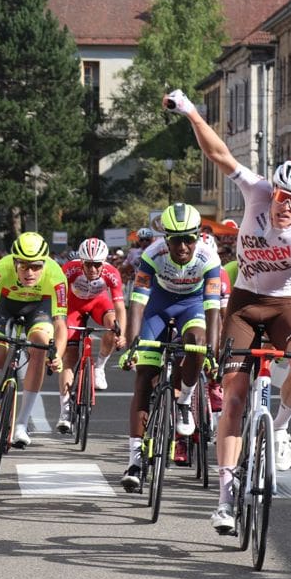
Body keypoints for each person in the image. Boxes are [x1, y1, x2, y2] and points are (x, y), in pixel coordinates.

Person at [165, 87, 291, 535]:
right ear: (274, 189)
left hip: (286, 306)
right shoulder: (256, 191)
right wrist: (190, 111)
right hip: (245, 302)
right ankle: (225, 497)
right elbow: (219, 153)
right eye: (283, 196)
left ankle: (282, 427)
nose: (287, 206)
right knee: (233, 396)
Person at [118, 203, 220, 489]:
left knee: (197, 344)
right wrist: (133, 344)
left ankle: (184, 400)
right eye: (176, 239)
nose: (183, 246)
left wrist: (212, 351)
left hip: (192, 305)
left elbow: (213, 309)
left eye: (189, 238)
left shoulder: (209, 257)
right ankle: (135, 461)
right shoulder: (152, 255)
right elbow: (138, 301)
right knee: (144, 379)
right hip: (159, 306)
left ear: (197, 236)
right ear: (166, 238)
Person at [0, 232, 67, 452]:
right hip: (5, 306)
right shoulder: (1, 269)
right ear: (14, 263)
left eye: (36, 267)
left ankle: (21, 424)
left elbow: (60, 323)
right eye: (24, 266)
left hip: (39, 308)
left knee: (40, 347)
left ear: (44, 263)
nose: (30, 273)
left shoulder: (56, 275)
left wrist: (57, 354)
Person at [57, 237, 127, 432]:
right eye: (88, 264)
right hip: (73, 306)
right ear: (81, 262)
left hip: (99, 303)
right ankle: (65, 410)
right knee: (70, 357)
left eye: (97, 265)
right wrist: (58, 325)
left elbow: (120, 307)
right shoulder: (69, 269)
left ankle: (100, 368)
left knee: (113, 326)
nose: (93, 269)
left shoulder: (112, 273)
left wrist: (121, 333)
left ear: (104, 262)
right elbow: (57, 300)